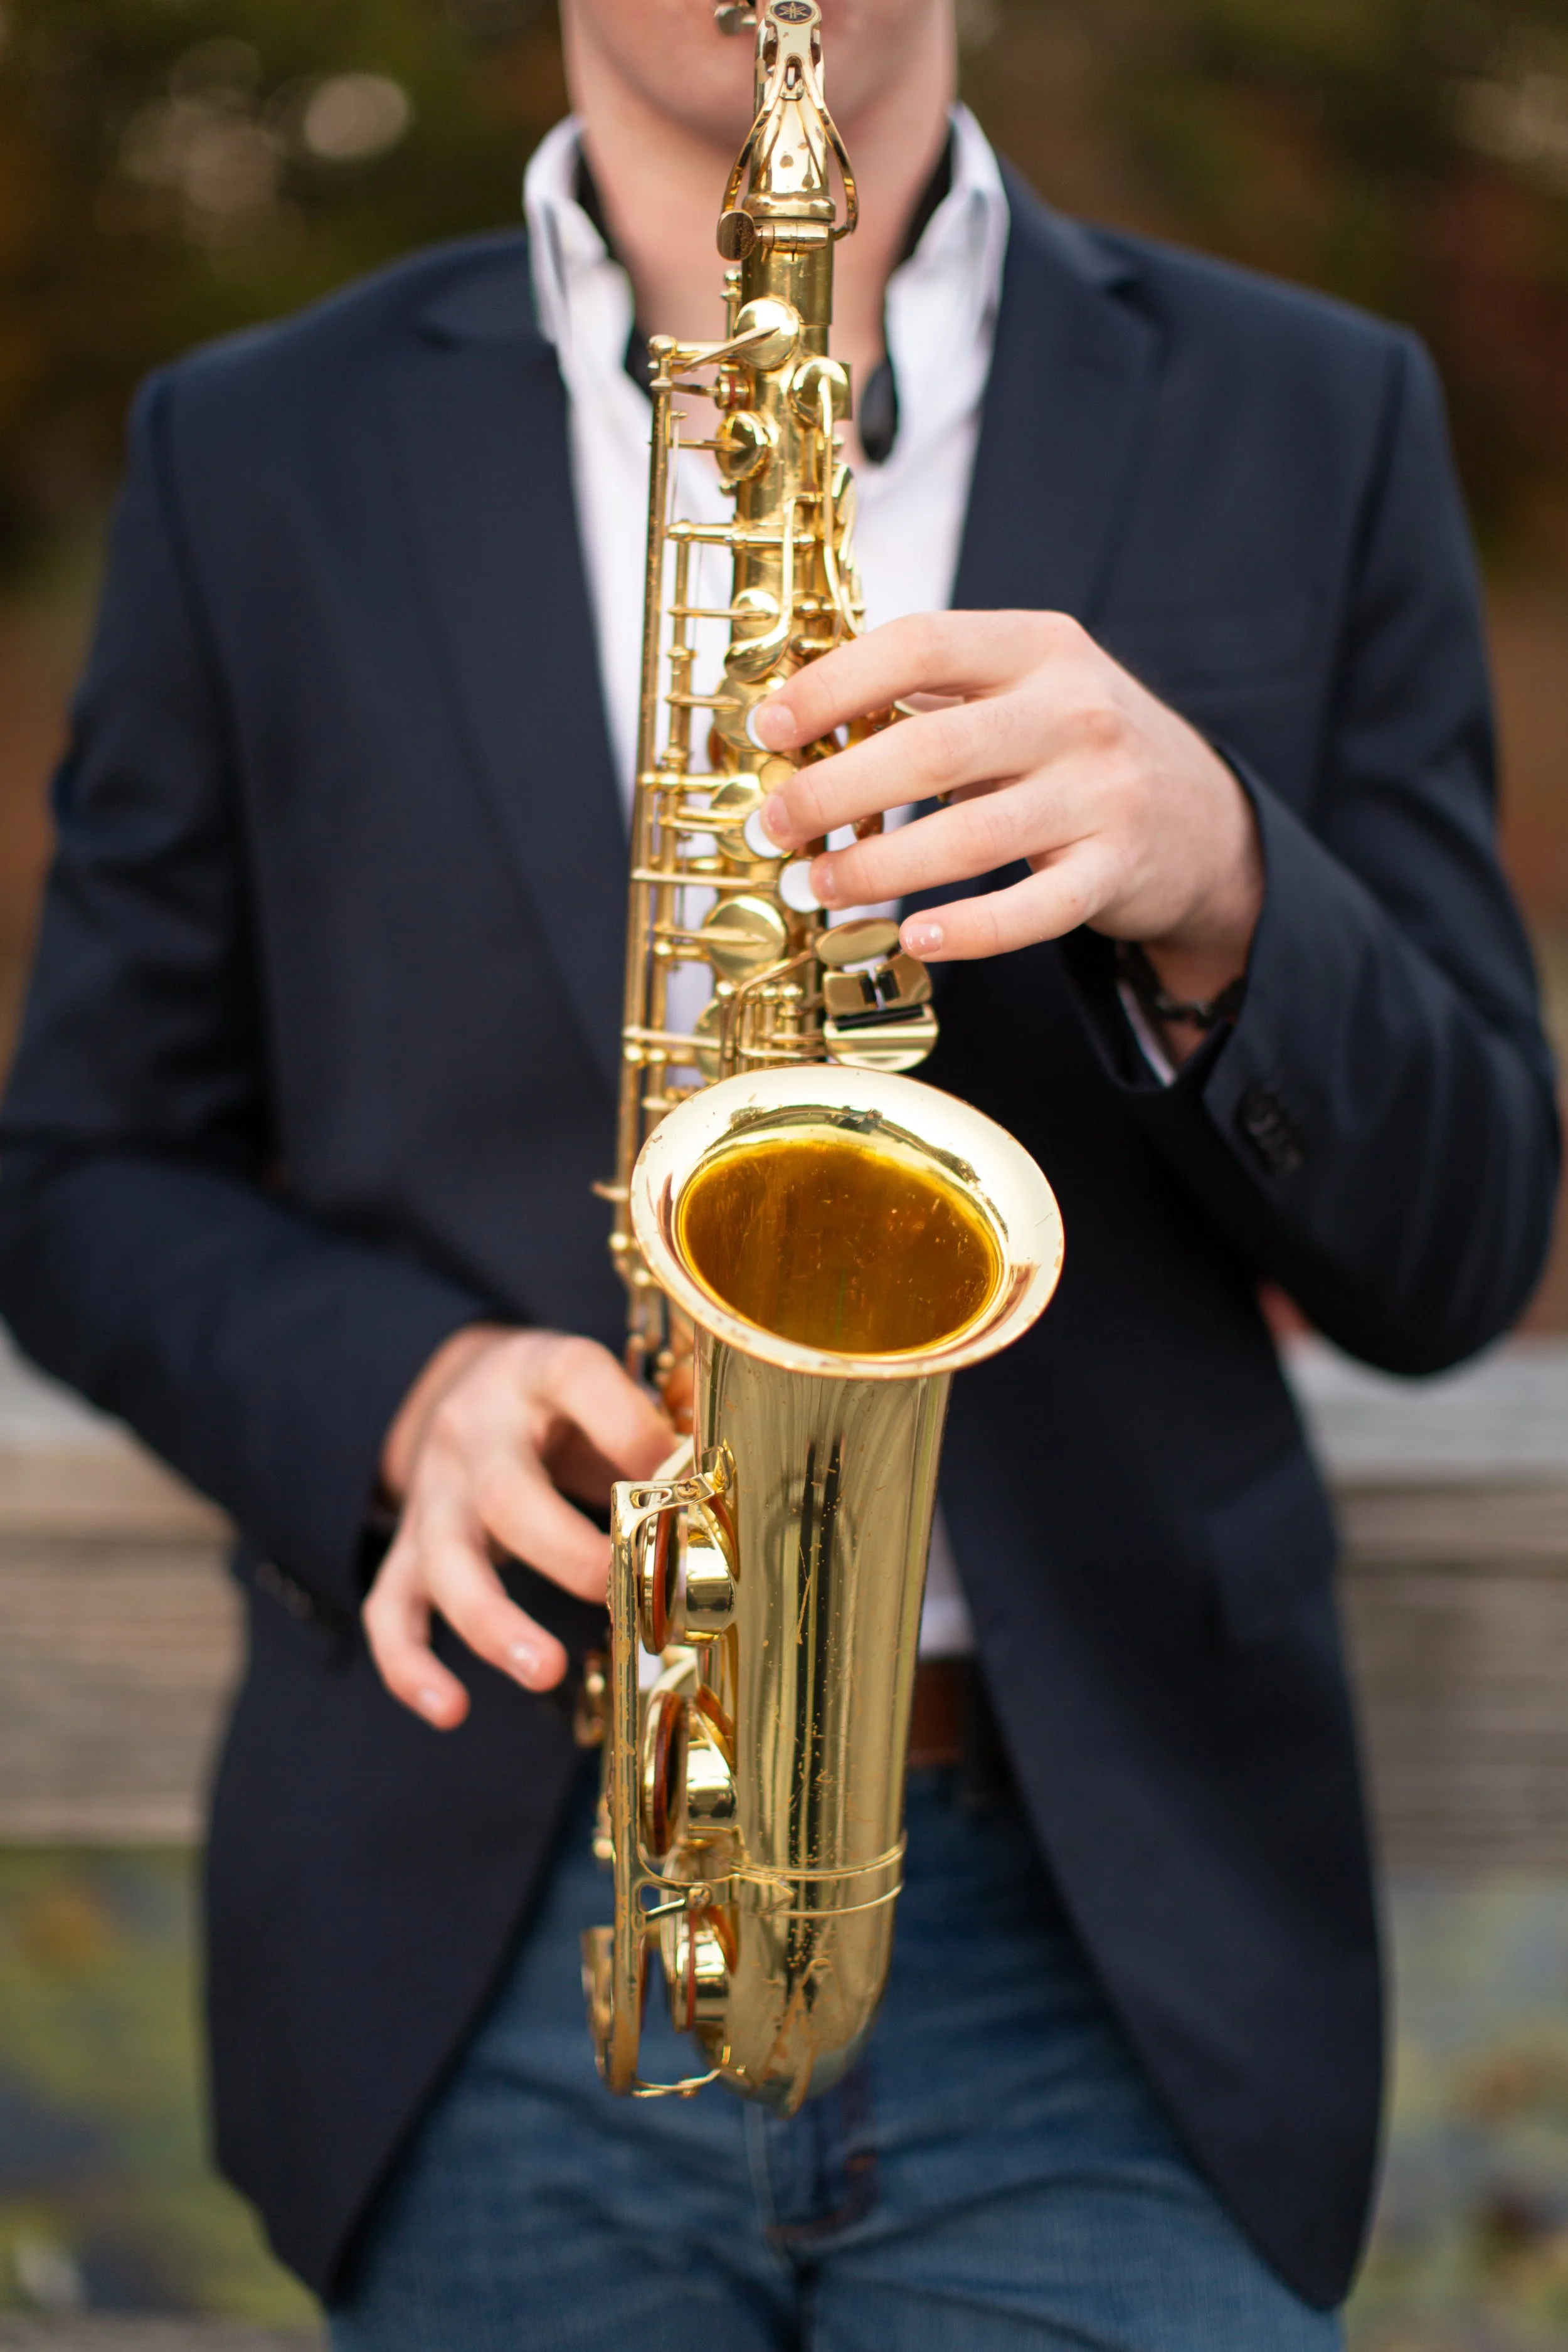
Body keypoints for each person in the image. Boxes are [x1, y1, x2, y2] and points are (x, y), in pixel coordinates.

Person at [0, 0, 1555, 2340]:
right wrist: (399, 1393)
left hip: (1116, 1955)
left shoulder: (1309, 404)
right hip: (491, 1933)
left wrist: (1230, 877)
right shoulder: (255, 450)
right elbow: (81, 1167)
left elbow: (1462, 1247)